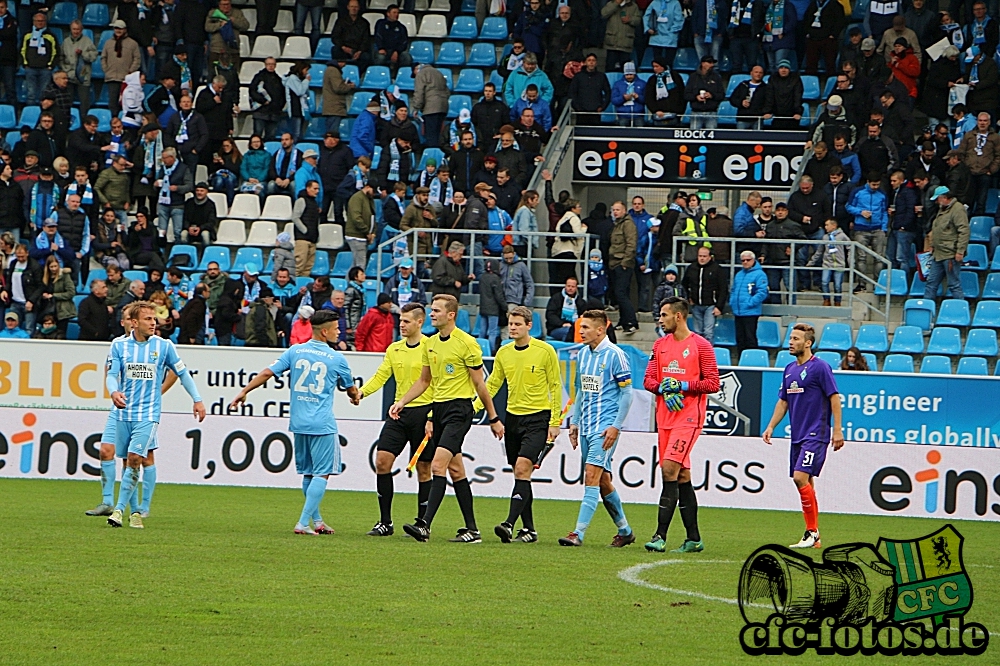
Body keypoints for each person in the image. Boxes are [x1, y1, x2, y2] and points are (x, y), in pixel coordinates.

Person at [230, 310, 358, 534]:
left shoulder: (295, 351)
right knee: (322, 473)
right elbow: (350, 388)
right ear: (325, 331)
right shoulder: (337, 358)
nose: (340, 332)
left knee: (309, 472)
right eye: (337, 329)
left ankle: (316, 521)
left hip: (299, 422)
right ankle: (302, 522)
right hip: (322, 423)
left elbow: (268, 373)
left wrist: (244, 391)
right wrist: (354, 396)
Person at [389, 294, 504, 543]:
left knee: (437, 465)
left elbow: (479, 384)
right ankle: (472, 530)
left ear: (451, 315)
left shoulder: (467, 343)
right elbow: (424, 381)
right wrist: (402, 402)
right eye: (431, 310)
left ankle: (424, 525)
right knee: (455, 468)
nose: (432, 314)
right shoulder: (429, 344)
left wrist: (493, 417)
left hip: (459, 411)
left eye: (437, 310)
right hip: (439, 410)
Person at [106, 301, 206, 529]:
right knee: (127, 462)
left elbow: (182, 373)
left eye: (154, 319)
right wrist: (113, 391)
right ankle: (135, 514)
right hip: (124, 413)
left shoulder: (164, 346)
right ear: (134, 322)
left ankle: (120, 510)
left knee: (135, 458)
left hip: (148, 414)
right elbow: (111, 374)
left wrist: (197, 399)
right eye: (148, 319)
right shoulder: (119, 346)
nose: (154, 323)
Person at [472, 305, 563, 543]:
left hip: (538, 418)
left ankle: (509, 524)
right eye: (510, 324)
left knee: (523, 468)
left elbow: (555, 386)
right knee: (521, 475)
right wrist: (474, 407)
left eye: (517, 324)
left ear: (529, 326)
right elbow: (493, 384)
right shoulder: (504, 352)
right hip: (513, 418)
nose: (512, 328)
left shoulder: (545, 351)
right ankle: (529, 530)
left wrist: (555, 422)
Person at [642, 296, 719, 552]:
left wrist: (683, 385)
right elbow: (648, 380)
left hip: (688, 418)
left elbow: (712, 383)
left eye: (664, 315)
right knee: (682, 475)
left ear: (679, 316)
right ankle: (694, 539)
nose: (660, 319)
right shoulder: (659, 345)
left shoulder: (701, 346)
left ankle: (659, 536)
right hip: (665, 418)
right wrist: (663, 387)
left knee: (668, 469)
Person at [354, 302, 435, 535]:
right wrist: (362, 393)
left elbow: (438, 384)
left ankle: (422, 523)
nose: (402, 324)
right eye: (400, 320)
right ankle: (385, 522)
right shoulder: (394, 349)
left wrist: (432, 416)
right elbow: (381, 376)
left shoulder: (431, 347)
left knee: (423, 468)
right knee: (382, 462)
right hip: (399, 413)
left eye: (407, 321)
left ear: (420, 322)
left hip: (424, 412)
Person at [762, 323, 844, 549]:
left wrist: (837, 429)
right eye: (790, 338)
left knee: (800, 478)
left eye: (796, 339)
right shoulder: (789, 369)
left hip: (816, 433)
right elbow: (783, 401)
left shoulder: (820, 368)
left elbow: (834, 398)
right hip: (797, 435)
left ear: (808, 343)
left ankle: (811, 531)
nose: (791, 342)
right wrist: (771, 426)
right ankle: (816, 537)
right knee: (807, 482)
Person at [559, 309, 634, 547]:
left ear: (601, 330)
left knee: (591, 476)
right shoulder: (582, 354)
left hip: (605, 428)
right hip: (587, 426)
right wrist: (575, 422)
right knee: (603, 481)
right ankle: (625, 531)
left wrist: (615, 426)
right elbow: (580, 390)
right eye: (580, 327)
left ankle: (577, 533)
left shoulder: (616, 355)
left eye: (586, 328)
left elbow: (627, 393)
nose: (580, 332)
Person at [924, 186, 969, 300]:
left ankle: (961, 311)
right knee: (931, 283)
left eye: (937, 199)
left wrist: (960, 251)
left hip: (950, 254)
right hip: (938, 254)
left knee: (954, 284)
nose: (936, 202)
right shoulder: (943, 208)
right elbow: (938, 229)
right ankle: (926, 310)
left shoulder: (957, 209)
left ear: (944, 197)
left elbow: (964, 231)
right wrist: (933, 245)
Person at [846, 173, 889, 290]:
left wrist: (884, 229)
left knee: (879, 258)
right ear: (868, 182)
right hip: (861, 229)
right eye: (873, 184)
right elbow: (848, 207)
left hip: (877, 229)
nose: (875, 187)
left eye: (878, 185)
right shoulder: (857, 192)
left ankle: (877, 283)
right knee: (861, 258)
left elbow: (884, 211)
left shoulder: (882, 194)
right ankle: (862, 283)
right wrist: (861, 212)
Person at [681, 247, 727, 343]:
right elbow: (684, 285)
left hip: (710, 305)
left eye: (704, 256)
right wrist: (689, 297)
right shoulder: (691, 268)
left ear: (710, 257)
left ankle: (708, 355)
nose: (702, 258)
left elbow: (723, 289)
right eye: (700, 256)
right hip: (696, 305)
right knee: (697, 332)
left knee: (708, 332)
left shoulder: (717, 269)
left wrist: (719, 306)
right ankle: (698, 355)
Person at [730, 250, 768, 357]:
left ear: (753, 260)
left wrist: (750, 303)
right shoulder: (739, 274)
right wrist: (733, 302)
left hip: (751, 312)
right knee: (740, 338)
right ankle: (741, 360)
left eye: (748, 260)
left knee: (750, 338)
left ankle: (752, 361)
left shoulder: (760, 274)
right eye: (743, 260)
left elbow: (762, 292)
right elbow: (733, 290)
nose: (745, 262)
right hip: (738, 311)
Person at [608, 200, 638, 333]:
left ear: (624, 210)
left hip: (623, 263)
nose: (615, 212)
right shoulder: (616, 224)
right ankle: (623, 320)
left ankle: (631, 321)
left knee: (621, 293)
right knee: (620, 293)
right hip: (614, 263)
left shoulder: (627, 224)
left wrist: (626, 262)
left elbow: (631, 244)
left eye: (618, 210)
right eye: (614, 210)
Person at [20, 12, 58, 106]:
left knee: (44, 94)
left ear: (45, 22)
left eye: (42, 21)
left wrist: (50, 65)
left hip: (45, 69)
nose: (40, 23)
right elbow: (22, 50)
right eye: (38, 21)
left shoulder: (51, 36)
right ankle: (31, 114)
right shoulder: (27, 35)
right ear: (33, 22)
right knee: (31, 94)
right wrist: (25, 64)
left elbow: (55, 52)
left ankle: (43, 115)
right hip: (30, 69)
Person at [412, 63, 450, 149]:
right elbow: (447, 92)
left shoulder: (421, 74)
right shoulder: (439, 73)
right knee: (438, 135)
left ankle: (432, 156)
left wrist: (416, 108)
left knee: (430, 136)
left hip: (431, 108)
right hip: (443, 107)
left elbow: (419, 92)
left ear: (416, 69)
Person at [684, 56, 724, 130]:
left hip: (711, 112)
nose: (712, 65)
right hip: (696, 112)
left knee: (711, 138)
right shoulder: (693, 77)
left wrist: (712, 95)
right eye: (709, 62)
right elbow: (686, 95)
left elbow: (721, 95)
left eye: (712, 63)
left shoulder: (716, 77)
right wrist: (696, 97)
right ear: (702, 63)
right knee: (694, 136)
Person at [601, 0, 641, 72]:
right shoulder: (611, 4)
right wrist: (616, 4)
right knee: (610, 67)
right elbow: (604, 14)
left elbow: (638, 20)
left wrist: (630, 19)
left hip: (625, 43)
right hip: (612, 43)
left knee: (625, 68)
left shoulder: (633, 6)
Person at [292, 180, 322, 277]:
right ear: (308, 188)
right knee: (298, 266)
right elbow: (295, 217)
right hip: (302, 239)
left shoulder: (314, 202)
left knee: (307, 269)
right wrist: (305, 231)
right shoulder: (301, 200)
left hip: (312, 239)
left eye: (318, 189)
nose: (317, 191)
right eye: (315, 188)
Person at [476, 259, 506, 354]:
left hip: (483, 308)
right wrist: (505, 307)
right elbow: (499, 295)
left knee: (482, 331)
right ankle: (491, 351)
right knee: (492, 332)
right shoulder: (496, 279)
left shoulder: (482, 277)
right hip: (493, 310)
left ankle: (478, 349)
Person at [545, 276, 585, 341]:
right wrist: (562, 324)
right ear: (565, 286)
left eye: (573, 286)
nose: (570, 288)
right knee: (569, 332)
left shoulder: (580, 301)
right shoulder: (556, 298)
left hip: (575, 328)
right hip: (556, 328)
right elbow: (550, 315)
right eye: (568, 286)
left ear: (576, 288)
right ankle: (568, 350)